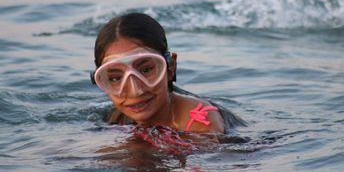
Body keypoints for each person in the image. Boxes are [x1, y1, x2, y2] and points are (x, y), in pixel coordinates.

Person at [90, 12, 243, 133]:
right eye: (116, 78)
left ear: (171, 67)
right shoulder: (116, 118)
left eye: (146, 70)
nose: (136, 91)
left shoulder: (200, 123)